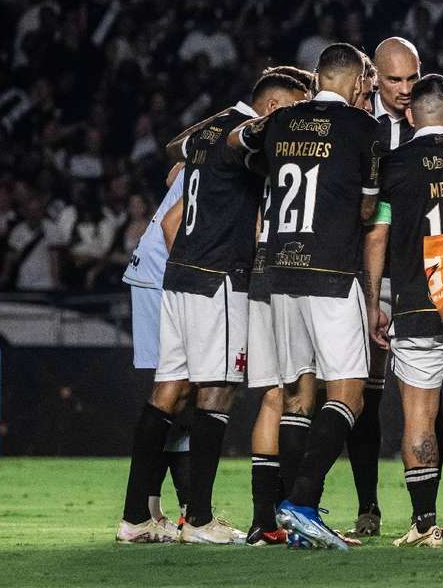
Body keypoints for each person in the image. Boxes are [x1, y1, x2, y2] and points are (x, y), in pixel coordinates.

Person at [116, 72, 305, 545]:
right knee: (217, 393)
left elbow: (176, 208)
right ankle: (198, 519)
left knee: (168, 391)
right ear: (274, 107)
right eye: (294, 112)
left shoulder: (205, 137)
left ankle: (134, 516)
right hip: (216, 279)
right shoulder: (244, 139)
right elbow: (249, 138)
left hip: (179, 277)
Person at [228, 43, 379, 550]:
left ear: (316, 78)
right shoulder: (362, 128)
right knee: (350, 393)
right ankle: (302, 501)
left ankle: (293, 521)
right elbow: (366, 211)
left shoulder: (282, 119)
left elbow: (236, 138)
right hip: (332, 271)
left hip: (277, 275)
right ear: (358, 83)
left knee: (296, 395)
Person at [364, 74, 443, 548]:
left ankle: (424, 524)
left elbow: (377, 234)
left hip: (417, 304)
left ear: (411, 115)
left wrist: (371, 300)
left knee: (419, 416)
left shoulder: (394, 165)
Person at [346, 37, 422, 538]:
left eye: (411, 79)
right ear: (375, 79)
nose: (403, 89)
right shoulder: (359, 128)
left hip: (418, 276)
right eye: (394, 80)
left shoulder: (431, 126)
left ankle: (430, 511)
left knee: (426, 394)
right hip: (365, 274)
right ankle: (368, 504)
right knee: (366, 396)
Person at [242, 69, 312, 547]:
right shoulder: (281, 146)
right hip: (290, 276)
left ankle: (263, 520)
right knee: (299, 393)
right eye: (295, 107)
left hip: (258, 276)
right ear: (271, 110)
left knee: (271, 397)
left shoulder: (251, 155)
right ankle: (290, 513)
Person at [116, 162, 192, 543]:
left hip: (153, 273)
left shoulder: (215, 134)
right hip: (162, 276)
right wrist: (191, 285)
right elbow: (170, 223)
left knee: (179, 395)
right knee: (174, 391)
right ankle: (145, 515)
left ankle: (155, 509)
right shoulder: (240, 139)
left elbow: (172, 165)